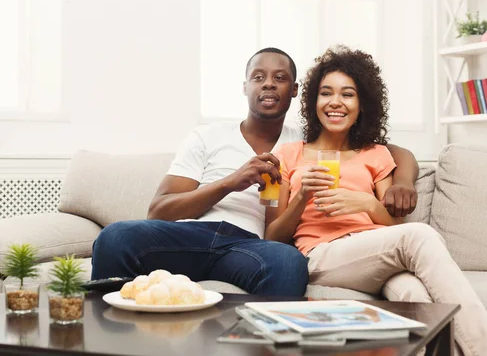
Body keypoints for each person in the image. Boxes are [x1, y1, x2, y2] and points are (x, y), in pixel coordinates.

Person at [91, 47, 419, 297]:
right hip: (190, 236)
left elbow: (389, 152)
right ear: (245, 86)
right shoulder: (208, 135)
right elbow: (159, 211)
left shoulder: (301, 145)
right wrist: (231, 182)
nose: (268, 85)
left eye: (280, 78)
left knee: (289, 263)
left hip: (250, 246)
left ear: (295, 91)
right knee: (115, 237)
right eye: (258, 77)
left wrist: (402, 181)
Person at [265, 45, 487, 355]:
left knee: (415, 297)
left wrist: (366, 204)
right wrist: (302, 197)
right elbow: (271, 237)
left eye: (348, 94)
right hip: (321, 256)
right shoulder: (286, 155)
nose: (335, 102)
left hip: (376, 254)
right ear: (314, 101)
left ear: (361, 104)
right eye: (326, 93)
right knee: (419, 236)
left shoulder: (377, 154)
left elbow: (392, 224)